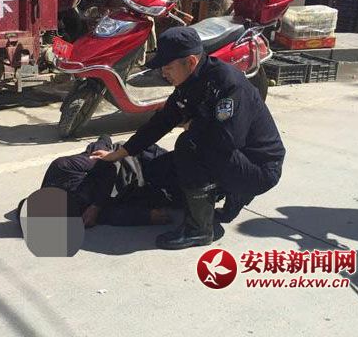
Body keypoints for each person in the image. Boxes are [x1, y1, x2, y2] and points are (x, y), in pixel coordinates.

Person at [91, 27, 286, 250]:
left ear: (191, 61)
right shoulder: (189, 83)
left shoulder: (228, 85)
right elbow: (161, 122)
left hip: (259, 168)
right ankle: (230, 193)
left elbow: (226, 140)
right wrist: (120, 153)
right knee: (159, 172)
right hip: (235, 158)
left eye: (168, 67)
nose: (164, 73)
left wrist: (195, 124)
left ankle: (199, 229)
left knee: (188, 145)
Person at [21, 135, 183, 228]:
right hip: (143, 191)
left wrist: (95, 206)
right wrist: (146, 217)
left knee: (186, 166)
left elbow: (107, 165)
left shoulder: (62, 168)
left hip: (139, 161)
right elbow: (109, 216)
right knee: (185, 201)